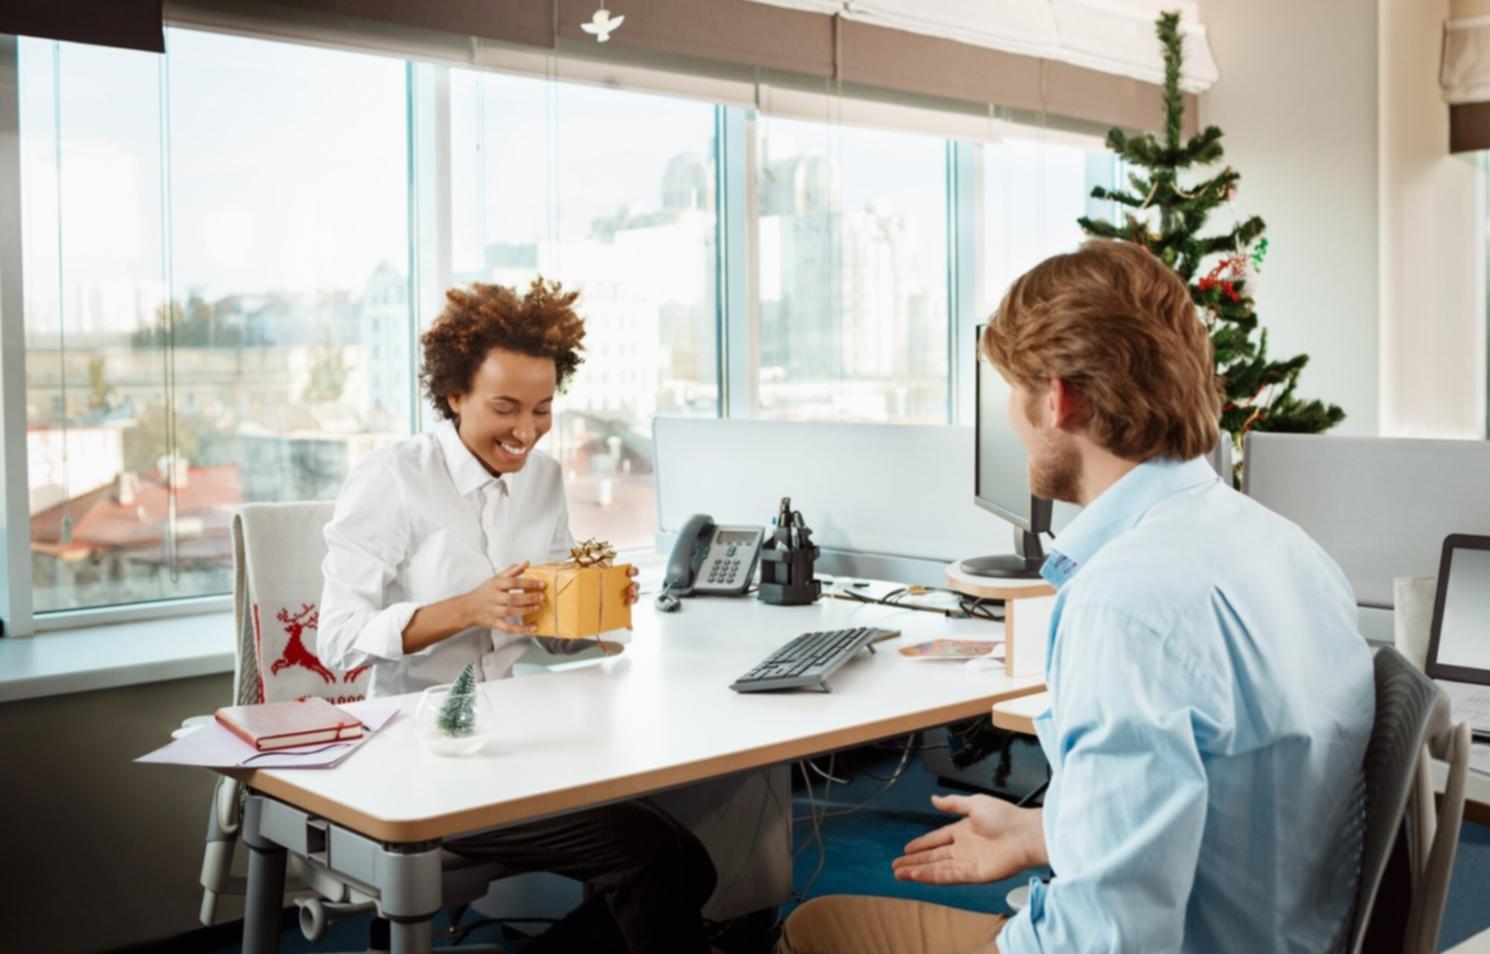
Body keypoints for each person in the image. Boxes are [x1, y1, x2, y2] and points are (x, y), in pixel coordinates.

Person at [776, 240, 1375, 954]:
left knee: (818, 928)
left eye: (1011, 389)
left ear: (1059, 398)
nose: (1008, 417)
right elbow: (1233, 807)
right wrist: (1039, 832)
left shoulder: (1124, 605)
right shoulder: (1290, 550)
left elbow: (1111, 940)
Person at [318, 278, 717, 954]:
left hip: (519, 739)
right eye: (506, 407)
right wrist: (468, 608)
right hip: (422, 756)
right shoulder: (391, 480)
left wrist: (591, 612)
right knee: (658, 862)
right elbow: (337, 641)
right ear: (453, 395)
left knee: (690, 864)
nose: (527, 431)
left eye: (543, 409)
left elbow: (550, 637)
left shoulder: (542, 479)